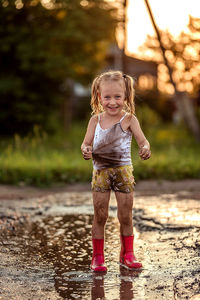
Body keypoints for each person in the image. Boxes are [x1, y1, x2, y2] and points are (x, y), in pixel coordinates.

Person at [81, 70, 151, 272]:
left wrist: (145, 148)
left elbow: (143, 141)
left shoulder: (130, 119)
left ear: (126, 97)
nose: (113, 102)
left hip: (123, 172)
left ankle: (127, 254)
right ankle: (98, 257)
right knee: (100, 215)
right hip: (101, 173)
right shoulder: (95, 121)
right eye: (107, 97)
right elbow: (85, 144)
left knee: (125, 215)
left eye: (118, 97)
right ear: (99, 97)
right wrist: (86, 150)